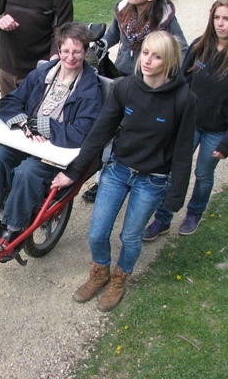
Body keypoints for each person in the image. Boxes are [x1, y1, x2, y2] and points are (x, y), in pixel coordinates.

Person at [51, 31, 196, 312]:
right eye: (145, 53)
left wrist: (176, 195)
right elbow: (99, 132)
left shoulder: (184, 100)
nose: (148, 61)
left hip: (152, 180)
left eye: (157, 56)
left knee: (130, 236)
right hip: (118, 170)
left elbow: (182, 151)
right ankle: (100, 272)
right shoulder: (125, 87)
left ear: (170, 62)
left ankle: (120, 277)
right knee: (96, 233)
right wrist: (74, 170)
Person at [0, 23, 102, 256]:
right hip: (28, 139)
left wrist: (44, 126)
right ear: (59, 49)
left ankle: (13, 228)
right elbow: (10, 102)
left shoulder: (90, 88)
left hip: (56, 151)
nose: (71, 57)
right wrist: (23, 123)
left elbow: (82, 131)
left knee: (27, 172)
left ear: (86, 52)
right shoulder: (42, 73)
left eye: (77, 51)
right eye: (66, 51)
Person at [145, 0, 228, 241]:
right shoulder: (200, 46)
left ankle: (194, 213)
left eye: (227, 19)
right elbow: (181, 82)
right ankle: (162, 219)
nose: (220, 24)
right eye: (217, 17)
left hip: (217, 130)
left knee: (203, 174)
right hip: (189, 123)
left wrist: (227, 142)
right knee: (175, 171)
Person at [82, 0, 188, 203]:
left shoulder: (164, 20)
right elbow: (112, 35)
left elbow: (182, 50)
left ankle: (132, 179)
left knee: (129, 131)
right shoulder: (124, 10)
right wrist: (98, 46)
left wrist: (168, 80)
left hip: (146, 84)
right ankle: (102, 179)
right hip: (120, 77)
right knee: (107, 127)